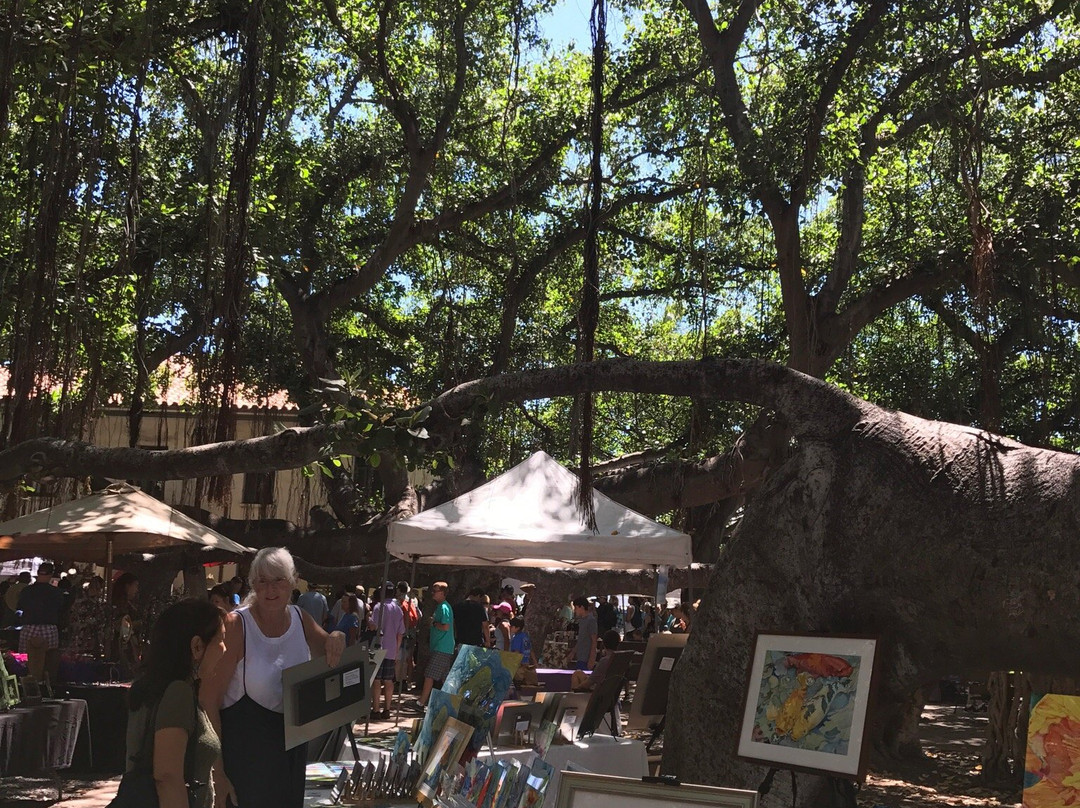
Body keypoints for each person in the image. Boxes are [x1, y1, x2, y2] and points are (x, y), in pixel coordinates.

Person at [201, 547, 345, 808]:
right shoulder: (236, 625)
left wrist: (338, 637)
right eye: (263, 581)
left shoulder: (301, 619)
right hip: (244, 762)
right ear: (253, 583)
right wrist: (217, 774)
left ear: (292, 582)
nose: (271, 589)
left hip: (290, 757)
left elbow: (332, 652)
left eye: (279, 580)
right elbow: (207, 701)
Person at [124, 598, 226, 808]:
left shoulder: (162, 687)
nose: (225, 649)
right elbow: (167, 777)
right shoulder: (177, 693)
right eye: (221, 640)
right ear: (197, 646)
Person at [17, 562, 64, 684]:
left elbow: (19, 607)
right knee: (49, 661)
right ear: (51, 575)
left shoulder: (26, 591)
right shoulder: (56, 592)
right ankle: (48, 687)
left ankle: (26, 685)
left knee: (25, 659)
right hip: (49, 627)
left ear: (37, 574)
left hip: (29, 627)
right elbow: (61, 609)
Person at [370, 583, 405, 719]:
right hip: (392, 649)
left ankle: (376, 709)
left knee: (377, 680)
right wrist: (396, 650)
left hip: (378, 647)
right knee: (388, 680)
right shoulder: (398, 610)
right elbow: (400, 633)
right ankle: (387, 709)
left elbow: (373, 626)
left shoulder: (378, 607)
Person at [418, 581, 454, 709]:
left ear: (443, 593)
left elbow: (445, 626)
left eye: (435, 591)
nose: (432, 593)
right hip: (443, 647)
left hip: (442, 647)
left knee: (429, 675)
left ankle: (421, 702)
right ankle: (449, 704)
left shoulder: (444, 607)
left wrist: (433, 623)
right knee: (445, 679)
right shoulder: (441, 606)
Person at [68, 576, 107, 656]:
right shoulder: (83, 601)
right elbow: (75, 616)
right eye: (98, 588)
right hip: (82, 635)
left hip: (93, 637)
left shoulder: (96, 603)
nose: (99, 591)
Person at [397, 582, 421, 686]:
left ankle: (400, 680)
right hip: (412, 631)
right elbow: (419, 615)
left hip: (403, 632)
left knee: (400, 657)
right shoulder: (413, 600)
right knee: (410, 658)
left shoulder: (400, 602)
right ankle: (409, 680)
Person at [564, 596, 597, 671]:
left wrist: (592, 658)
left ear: (581, 607)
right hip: (580, 656)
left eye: (576, 608)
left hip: (586, 657)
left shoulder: (591, 620)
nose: (575, 611)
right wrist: (573, 652)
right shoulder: (582, 621)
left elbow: (594, 640)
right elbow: (580, 639)